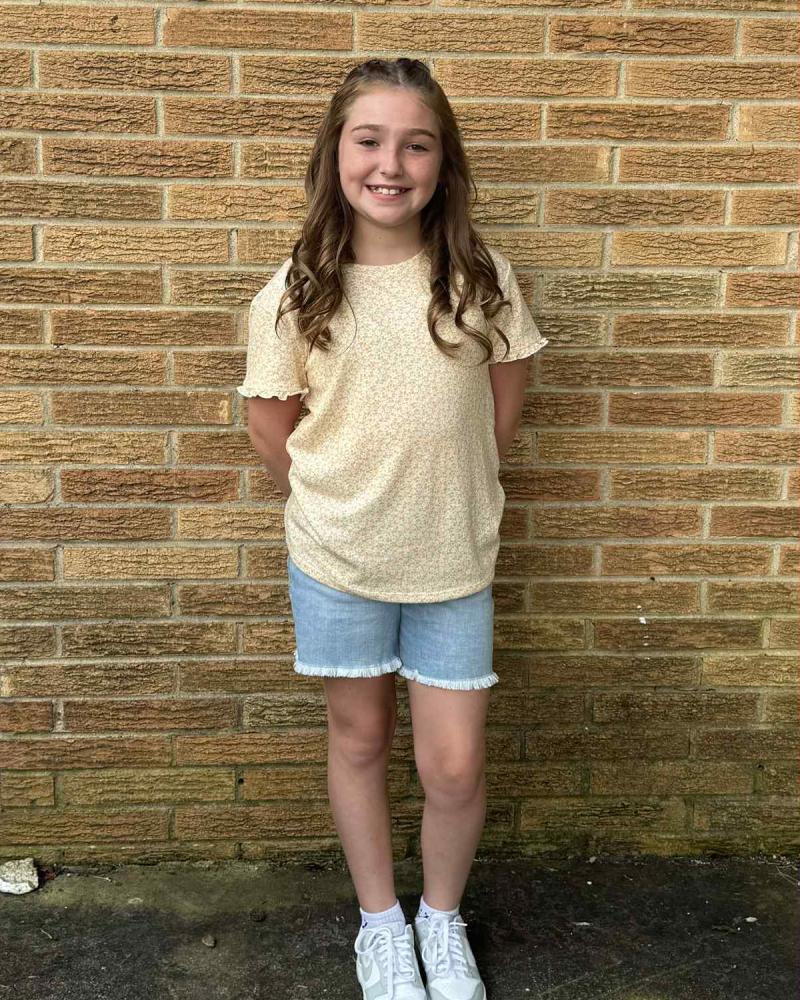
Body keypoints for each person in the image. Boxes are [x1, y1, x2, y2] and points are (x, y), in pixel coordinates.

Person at [237, 57, 548, 1000]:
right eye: (368, 141)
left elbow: (502, 401)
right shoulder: (298, 290)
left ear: (443, 164)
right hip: (338, 560)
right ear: (335, 154)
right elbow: (270, 423)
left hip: (452, 558)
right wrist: (336, 504)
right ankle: (381, 926)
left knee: (452, 764)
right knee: (360, 740)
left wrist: (450, 489)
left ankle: (440, 921)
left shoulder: (480, 278)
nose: (390, 164)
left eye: (416, 145)